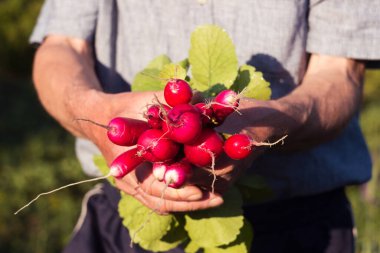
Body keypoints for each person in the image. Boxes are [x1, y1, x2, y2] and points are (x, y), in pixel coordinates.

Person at [30, 0, 379, 252]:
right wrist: (97, 113)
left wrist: (261, 130)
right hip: (128, 217)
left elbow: (341, 72)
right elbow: (61, 45)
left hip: (297, 224)